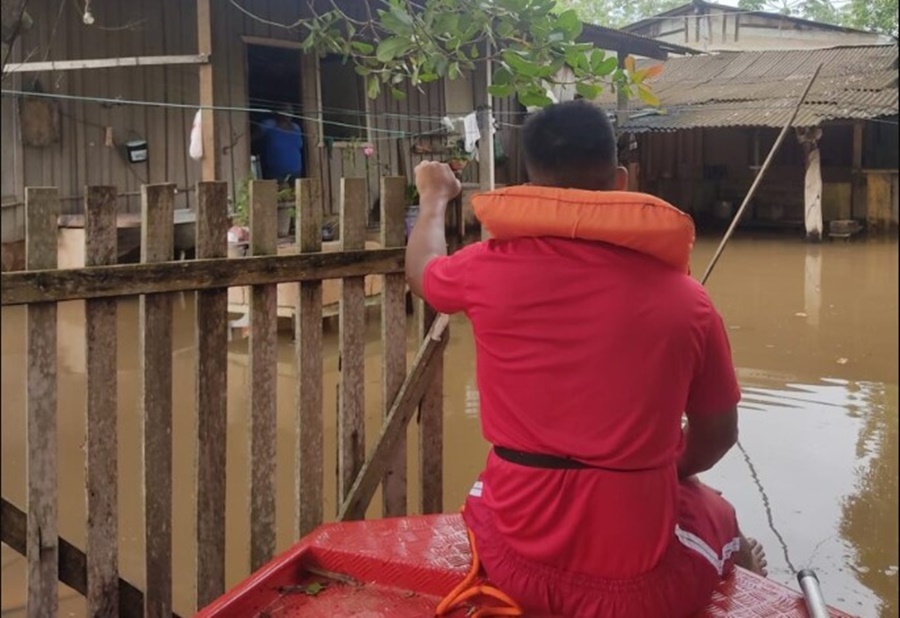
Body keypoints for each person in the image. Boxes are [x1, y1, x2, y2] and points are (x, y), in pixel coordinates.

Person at [406, 100, 767, 618]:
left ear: (531, 184)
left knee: (491, 484)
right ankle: (739, 559)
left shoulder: (484, 269)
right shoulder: (689, 302)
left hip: (512, 564)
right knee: (716, 511)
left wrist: (434, 196)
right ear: (621, 181)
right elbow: (717, 436)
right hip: (638, 596)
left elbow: (422, 270)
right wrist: (660, 471)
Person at [255, 103, 303, 182]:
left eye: (290, 111)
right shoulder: (269, 125)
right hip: (275, 173)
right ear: (278, 112)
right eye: (285, 110)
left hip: (295, 173)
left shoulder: (296, 128)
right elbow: (253, 139)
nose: (288, 113)